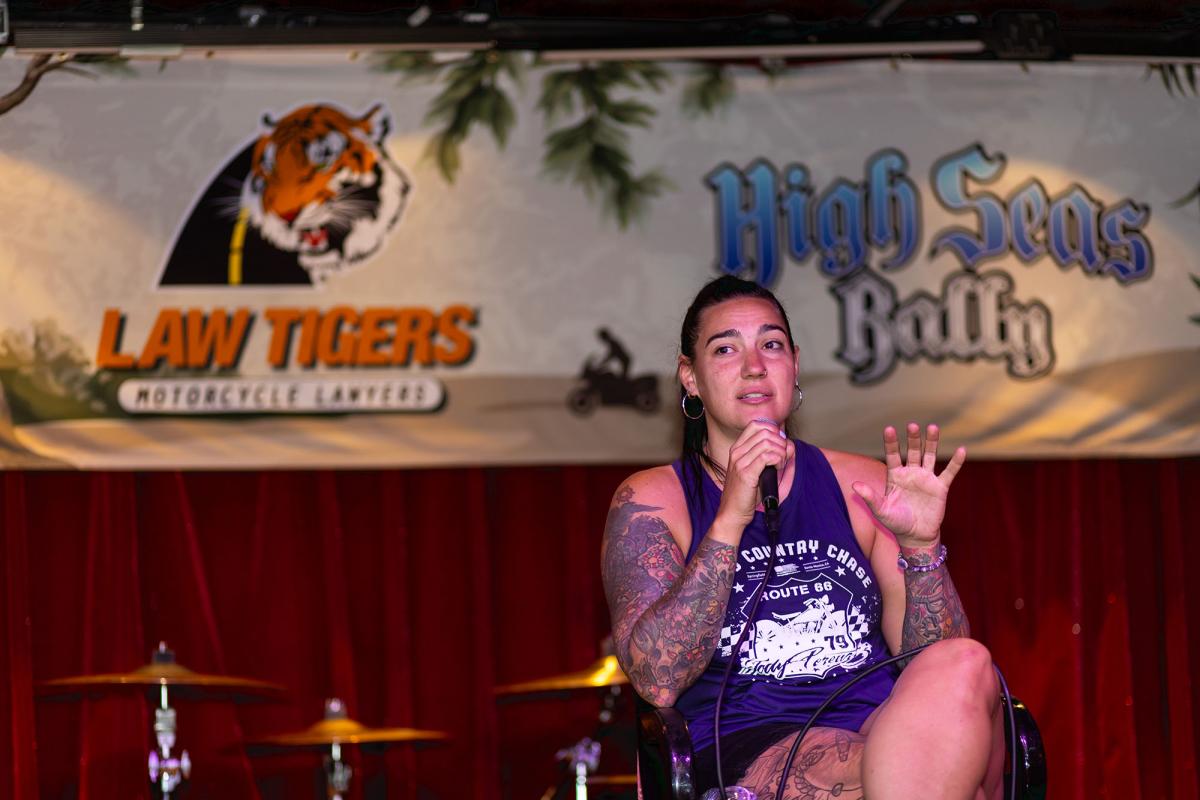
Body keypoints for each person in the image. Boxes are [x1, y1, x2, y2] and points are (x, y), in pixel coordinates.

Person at [600, 276, 1004, 799]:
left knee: (965, 663)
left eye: (771, 345)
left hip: (884, 727)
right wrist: (729, 519)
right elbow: (658, 679)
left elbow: (928, 665)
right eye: (726, 349)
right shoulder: (653, 500)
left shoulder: (863, 487)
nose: (754, 366)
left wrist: (921, 548)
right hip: (748, 745)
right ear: (690, 377)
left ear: (794, 364)